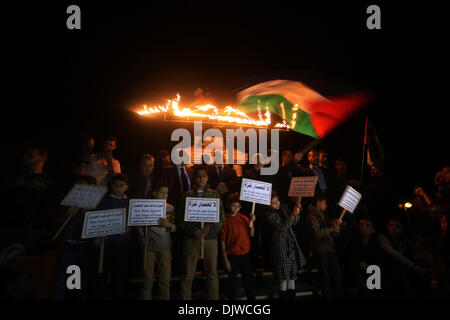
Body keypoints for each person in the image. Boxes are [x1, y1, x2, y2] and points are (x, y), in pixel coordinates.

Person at [178, 166, 225, 300]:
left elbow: (221, 217)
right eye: (199, 175)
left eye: (204, 176)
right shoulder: (187, 195)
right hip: (191, 239)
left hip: (210, 239)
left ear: (208, 178)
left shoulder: (215, 194)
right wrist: (193, 230)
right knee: (187, 274)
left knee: (212, 274)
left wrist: (210, 228)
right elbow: (180, 218)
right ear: (194, 178)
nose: (201, 178)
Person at [52, 175, 97, 300]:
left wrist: (98, 238)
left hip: (84, 248)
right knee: (64, 284)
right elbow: (56, 227)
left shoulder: (93, 207)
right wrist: (67, 214)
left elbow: (96, 228)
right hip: (68, 247)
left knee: (79, 285)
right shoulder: (66, 203)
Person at [91, 174, 131, 299]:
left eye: (122, 185)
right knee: (104, 273)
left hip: (124, 245)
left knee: (121, 275)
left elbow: (135, 220)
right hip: (108, 244)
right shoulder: (105, 202)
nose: (119, 188)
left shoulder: (130, 202)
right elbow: (98, 220)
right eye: (116, 185)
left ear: (127, 187)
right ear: (111, 186)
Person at [377, 215, 437, 297]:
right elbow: (392, 252)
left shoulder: (406, 239)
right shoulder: (382, 237)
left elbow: (422, 251)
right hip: (387, 269)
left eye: (396, 226)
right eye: (391, 225)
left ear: (401, 229)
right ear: (387, 227)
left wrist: (434, 267)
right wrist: (415, 268)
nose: (393, 228)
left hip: (404, 269)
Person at [264, 191, 306, 299]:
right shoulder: (269, 214)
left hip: (290, 243)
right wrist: (292, 215)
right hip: (280, 246)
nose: (277, 204)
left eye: (277, 201)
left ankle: (292, 295)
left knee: (292, 273)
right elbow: (281, 228)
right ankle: (283, 295)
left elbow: (294, 222)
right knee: (284, 274)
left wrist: (296, 213)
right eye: (273, 203)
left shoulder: (283, 208)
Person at [139, 180, 176, 300]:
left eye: (166, 193)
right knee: (147, 278)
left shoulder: (170, 208)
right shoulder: (145, 206)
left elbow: (175, 228)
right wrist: (141, 237)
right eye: (161, 193)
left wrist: (169, 225)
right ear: (154, 193)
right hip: (148, 246)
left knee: (165, 277)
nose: (164, 196)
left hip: (164, 246)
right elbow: (139, 225)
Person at [305, 193, 343, 300]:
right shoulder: (311, 215)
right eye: (324, 203)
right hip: (320, 249)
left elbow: (334, 233)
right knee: (325, 277)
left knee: (336, 275)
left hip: (330, 248)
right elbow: (316, 233)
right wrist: (330, 229)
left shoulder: (324, 215)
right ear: (318, 202)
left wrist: (336, 227)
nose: (326, 205)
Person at [219, 193, 256, 300]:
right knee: (232, 282)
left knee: (248, 280)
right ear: (227, 205)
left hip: (244, 254)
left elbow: (251, 234)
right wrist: (225, 260)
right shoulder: (225, 220)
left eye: (238, 206)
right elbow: (222, 241)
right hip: (232, 255)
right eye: (233, 206)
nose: (236, 209)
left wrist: (252, 222)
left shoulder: (244, 218)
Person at [347, 216, 380, 297]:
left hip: (371, 271)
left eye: (367, 225)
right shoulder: (354, 241)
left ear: (372, 230)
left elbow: (378, 260)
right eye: (361, 224)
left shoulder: (375, 244)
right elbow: (352, 257)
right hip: (357, 272)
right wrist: (359, 263)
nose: (363, 227)